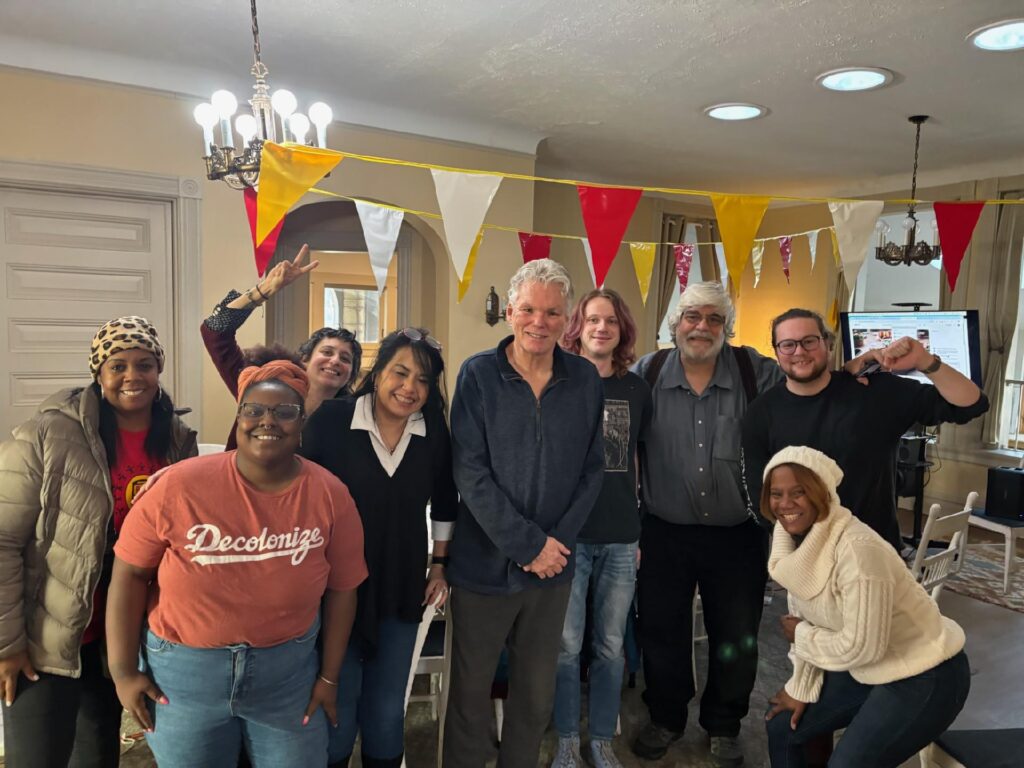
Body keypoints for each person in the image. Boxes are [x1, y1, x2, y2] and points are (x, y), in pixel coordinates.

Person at [106, 361, 367, 768]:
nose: (268, 420)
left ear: (302, 423)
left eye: (284, 412)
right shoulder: (179, 486)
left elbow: (343, 589)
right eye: (254, 409)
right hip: (184, 677)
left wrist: (329, 678)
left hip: (287, 678)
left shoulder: (330, 495)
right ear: (239, 417)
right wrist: (122, 670)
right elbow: (130, 574)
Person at [0, 316, 196, 767]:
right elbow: (5, 540)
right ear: (98, 373)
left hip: (120, 637)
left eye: (144, 364)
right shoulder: (49, 434)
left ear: (159, 369)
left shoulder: (177, 441)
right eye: (118, 365)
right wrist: (7, 644)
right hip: (46, 638)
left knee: (97, 755)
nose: (133, 376)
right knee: (37, 757)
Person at [443, 259, 605, 768]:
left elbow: (592, 470)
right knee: (469, 695)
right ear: (510, 311)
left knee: (534, 695)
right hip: (483, 568)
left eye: (553, 312)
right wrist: (526, 545)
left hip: (553, 570)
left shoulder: (583, 379)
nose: (540, 321)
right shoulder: (478, 375)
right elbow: (469, 472)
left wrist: (553, 547)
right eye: (529, 309)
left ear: (567, 319)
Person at [630, 282, 784, 766]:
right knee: (660, 630)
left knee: (737, 633)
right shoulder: (646, 373)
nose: (702, 326)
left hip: (737, 535)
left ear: (727, 328)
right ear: (675, 324)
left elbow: (809, 382)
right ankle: (666, 717)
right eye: (692, 316)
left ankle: (724, 725)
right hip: (663, 531)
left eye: (714, 319)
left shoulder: (755, 373)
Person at [301, 328, 458, 768]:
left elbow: (446, 503)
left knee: (388, 713)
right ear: (377, 373)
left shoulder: (433, 433)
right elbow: (301, 498)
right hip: (335, 589)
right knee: (337, 707)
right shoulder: (334, 421)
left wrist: (439, 566)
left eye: (423, 380)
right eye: (400, 373)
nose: (410, 388)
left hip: (401, 584)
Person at [761, 446, 970, 768]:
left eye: (798, 492)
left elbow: (861, 646)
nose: (785, 504)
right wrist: (800, 687)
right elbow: (809, 623)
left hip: (926, 674)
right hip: (873, 668)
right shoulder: (795, 549)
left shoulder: (857, 552)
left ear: (821, 493)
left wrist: (801, 635)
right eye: (776, 493)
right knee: (783, 725)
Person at [742, 308, 989, 551]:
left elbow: (971, 404)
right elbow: (757, 495)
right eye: (788, 344)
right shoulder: (760, 413)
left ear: (828, 344)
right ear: (776, 351)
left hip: (876, 551)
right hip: (807, 556)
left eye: (809, 341)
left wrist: (925, 361)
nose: (799, 351)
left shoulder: (874, 392)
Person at [552, 289, 652, 768]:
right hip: (568, 538)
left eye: (610, 320)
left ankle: (602, 739)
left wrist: (638, 537)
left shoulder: (637, 389)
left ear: (621, 330)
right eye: (592, 319)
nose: (601, 328)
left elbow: (639, 461)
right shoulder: (559, 383)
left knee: (611, 647)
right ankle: (568, 737)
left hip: (619, 536)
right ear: (579, 327)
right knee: (567, 647)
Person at [201, 243, 362, 447]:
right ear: (304, 359)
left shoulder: (351, 420)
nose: (335, 360)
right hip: (239, 479)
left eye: (345, 358)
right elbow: (214, 331)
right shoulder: (261, 383)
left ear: (351, 373)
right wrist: (262, 291)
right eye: (327, 352)